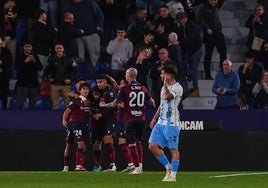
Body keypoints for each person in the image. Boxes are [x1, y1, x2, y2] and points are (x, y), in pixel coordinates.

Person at [100, 67, 155, 174]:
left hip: (130, 119)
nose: (125, 76)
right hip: (141, 119)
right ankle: (140, 166)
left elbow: (114, 104)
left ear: (129, 76)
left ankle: (136, 167)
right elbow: (151, 101)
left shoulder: (125, 89)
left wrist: (104, 105)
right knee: (138, 142)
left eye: (126, 74)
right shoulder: (143, 88)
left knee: (131, 144)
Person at [148, 64, 183, 182]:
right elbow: (162, 104)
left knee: (173, 149)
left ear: (170, 75)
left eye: (163, 73)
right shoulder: (164, 87)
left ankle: (173, 175)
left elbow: (168, 97)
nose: (161, 76)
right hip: (161, 121)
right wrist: (154, 118)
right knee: (152, 145)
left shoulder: (177, 87)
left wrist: (165, 85)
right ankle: (168, 168)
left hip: (172, 122)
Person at [64, 0, 104, 78]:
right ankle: (80, 78)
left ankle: (97, 78)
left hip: (91, 33)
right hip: (76, 35)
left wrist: (100, 25)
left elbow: (100, 14)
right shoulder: (69, 5)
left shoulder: (90, 2)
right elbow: (64, 17)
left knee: (95, 56)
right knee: (79, 57)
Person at [62, 82, 90, 171]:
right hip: (75, 124)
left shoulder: (89, 100)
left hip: (85, 125)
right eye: (84, 89)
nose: (86, 91)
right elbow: (67, 111)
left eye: (87, 89)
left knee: (83, 146)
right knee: (69, 146)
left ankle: (80, 165)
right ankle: (66, 166)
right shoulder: (76, 100)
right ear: (80, 91)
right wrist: (63, 119)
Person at [44, 42, 80, 110]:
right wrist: (49, 77)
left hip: (66, 85)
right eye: (57, 48)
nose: (59, 49)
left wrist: (70, 80)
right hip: (54, 84)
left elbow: (77, 72)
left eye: (60, 48)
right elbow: (46, 70)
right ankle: (54, 119)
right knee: (55, 105)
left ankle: (68, 119)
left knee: (68, 104)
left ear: (63, 49)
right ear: (55, 49)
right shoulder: (51, 58)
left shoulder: (70, 59)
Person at [175, 12, 203, 97]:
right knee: (189, 68)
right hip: (190, 50)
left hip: (196, 50)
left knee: (194, 69)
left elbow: (189, 38)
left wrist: (179, 42)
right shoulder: (184, 26)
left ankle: (196, 89)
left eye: (180, 20)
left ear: (184, 19)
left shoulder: (192, 26)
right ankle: (193, 86)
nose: (180, 22)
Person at [197, 0, 227, 79]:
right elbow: (200, 20)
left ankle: (223, 72)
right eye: (213, 0)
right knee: (208, 55)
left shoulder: (217, 6)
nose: (215, 1)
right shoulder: (203, 8)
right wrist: (207, 28)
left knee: (223, 53)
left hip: (218, 33)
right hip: (210, 35)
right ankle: (207, 75)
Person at [96, 74, 119, 171]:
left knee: (108, 140)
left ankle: (113, 165)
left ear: (106, 82)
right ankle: (111, 165)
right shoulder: (103, 92)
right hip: (105, 119)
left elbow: (113, 106)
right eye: (97, 82)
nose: (99, 84)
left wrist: (101, 114)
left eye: (101, 82)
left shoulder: (110, 92)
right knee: (105, 141)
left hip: (111, 118)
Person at [15, 40, 43, 110]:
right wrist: (25, 61)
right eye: (26, 46)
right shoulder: (19, 56)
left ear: (31, 48)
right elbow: (17, 68)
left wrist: (34, 61)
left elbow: (40, 68)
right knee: (20, 105)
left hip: (33, 84)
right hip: (22, 84)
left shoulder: (35, 56)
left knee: (32, 106)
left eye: (29, 46)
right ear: (23, 48)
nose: (28, 48)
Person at [0, 38, 13, 109]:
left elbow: (10, 63)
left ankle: (5, 108)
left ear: (1, 44)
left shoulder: (6, 51)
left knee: (4, 93)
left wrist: (2, 63)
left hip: (4, 75)